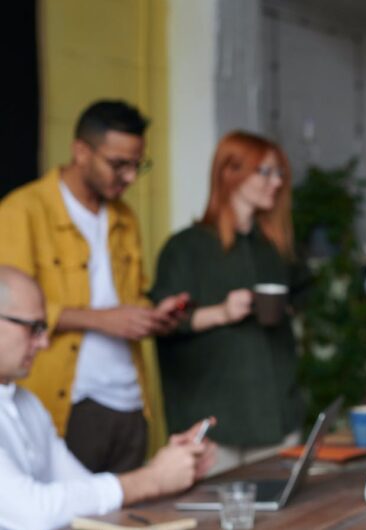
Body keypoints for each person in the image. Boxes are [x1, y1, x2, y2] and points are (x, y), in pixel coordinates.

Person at [0, 100, 190, 473]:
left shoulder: (125, 218)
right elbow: (10, 311)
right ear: (81, 152)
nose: (131, 177)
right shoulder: (22, 211)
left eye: (138, 165)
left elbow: (128, 297)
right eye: (119, 164)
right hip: (68, 402)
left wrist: (152, 317)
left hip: (131, 402)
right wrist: (102, 320)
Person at [0, 266, 215, 530]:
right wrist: (153, 479)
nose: (44, 342)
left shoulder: (27, 404)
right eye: (33, 328)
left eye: (43, 328)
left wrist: (170, 468)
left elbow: (80, 488)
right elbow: (32, 514)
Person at [150, 131, 306, 474]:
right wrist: (221, 312)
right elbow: (162, 322)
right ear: (229, 173)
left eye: (279, 173)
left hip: (278, 416)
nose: (276, 182)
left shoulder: (275, 247)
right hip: (216, 425)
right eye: (264, 172)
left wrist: (285, 308)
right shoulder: (185, 247)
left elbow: (302, 294)